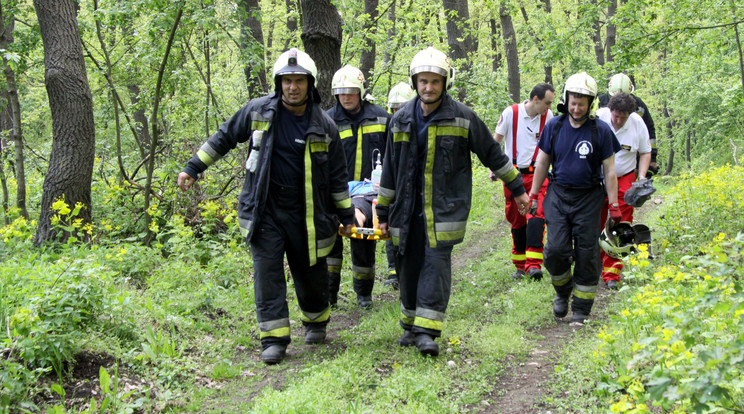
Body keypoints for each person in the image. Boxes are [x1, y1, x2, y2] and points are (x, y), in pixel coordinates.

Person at [177, 48, 354, 365]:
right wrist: (193, 168)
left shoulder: (325, 126)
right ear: (278, 83)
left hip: (308, 215)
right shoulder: (258, 111)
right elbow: (224, 137)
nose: (292, 87)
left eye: (299, 80)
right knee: (267, 274)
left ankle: (316, 321)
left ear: (310, 84)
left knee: (311, 273)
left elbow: (338, 176)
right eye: (286, 80)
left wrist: (346, 217)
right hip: (265, 211)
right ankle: (273, 340)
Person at [377, 47, 529, 356]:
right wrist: (382, 210)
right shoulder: (400, 119)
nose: (428, 87)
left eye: (435, 81)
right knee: (407, 266)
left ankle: (427, 332)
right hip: (404, 211)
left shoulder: (463, 117)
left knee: (435, 265)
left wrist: (518, 188)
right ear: (415, 81)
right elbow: (390, 170)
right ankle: (409, 325)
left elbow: (493, 155)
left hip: (444, 209)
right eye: (423, 81)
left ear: (446, 82)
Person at [528, 71, 621, 324]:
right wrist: (534, 194)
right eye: (573, 103)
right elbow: (542, 161)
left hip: (589, 198)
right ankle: (562, 290)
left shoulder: (601, 131)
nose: (576, 108)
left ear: (591, 104)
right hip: (558, 195)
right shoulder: (554, 126)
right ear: (566, 100)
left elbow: (610, 170)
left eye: (582, 104)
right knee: (554, 250)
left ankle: (582, 307)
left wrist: (614, 205)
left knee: (587, 252)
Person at [326, 65, 391, 308]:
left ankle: (364, 295)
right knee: (329, 245)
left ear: (361, 91)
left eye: (351, 91)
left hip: (369, 192)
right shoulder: (326, 120)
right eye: (341, 92)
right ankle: (329, 296)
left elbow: (395, 156)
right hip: (334, 191)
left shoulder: (382, 118)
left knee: (363, 239)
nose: (346, 96)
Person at [493, 83, 555, 281]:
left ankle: (534, 264)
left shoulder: (548, 117)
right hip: (513, 176)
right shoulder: (511, 113)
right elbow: (496, 142)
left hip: (538, 174)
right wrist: (493, 168)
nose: (549, 106)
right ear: (535, 99)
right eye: (547, 102)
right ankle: (520, 265)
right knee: (517, 219)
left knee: (537, 215)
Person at [597, 92, 651, 289]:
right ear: (610, 111)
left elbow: (645, 151)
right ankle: (596, 263)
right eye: (616, 116)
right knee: (598, 221)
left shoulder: (637, 123)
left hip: (625, 177)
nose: (618, 121)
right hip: (598, 178)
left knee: (621, 224)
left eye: (623, 117)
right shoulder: (599, 117)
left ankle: (612, 273)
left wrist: (642, 177)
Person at [380, 82, 418, 290]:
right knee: (392, 227)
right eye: (394, 109)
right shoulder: (391, 127)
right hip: (394, 187)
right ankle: (394, 270)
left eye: (401, 108)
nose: (398, 112)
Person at [598, 74, 658, 176]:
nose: (619, 120)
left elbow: (648, 131)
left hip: (628, 162)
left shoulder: (638, 108)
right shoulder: (598, 107)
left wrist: (652, 159)